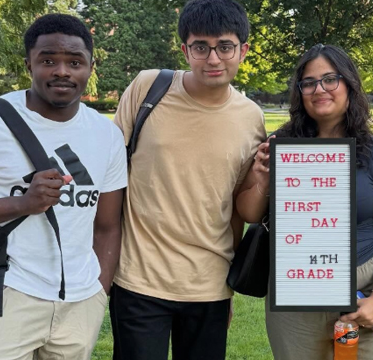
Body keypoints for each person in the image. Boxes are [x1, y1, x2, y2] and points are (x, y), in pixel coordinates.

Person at [0, 14, 127, 360]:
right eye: (48, 60)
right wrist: (21, 204)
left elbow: (108, 225)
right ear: (29, 64)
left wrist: (99, 290)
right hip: (6, 295)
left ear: (90, 67)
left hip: (80, 302)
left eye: (75, 61)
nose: (62, 71)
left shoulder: (106, 134)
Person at [109, 0, 265, 359]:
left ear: (243, 50)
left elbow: (241, 208)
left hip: (208, 284)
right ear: (185, 50)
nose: (213, 59)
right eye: (201, 47)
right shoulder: (149, 87)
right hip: (139, 277)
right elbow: (110, 170)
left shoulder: (250, 117)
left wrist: (226, 288)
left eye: (224, 46)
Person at [237, 44, 373, 360]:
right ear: (300, 91)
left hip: (366, 285)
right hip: (296, 290)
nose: (319, 89)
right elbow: (250, 213)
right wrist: (262, 176)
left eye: (330, 79)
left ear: (349, 84)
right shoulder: (281, 145)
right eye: (309, 82)